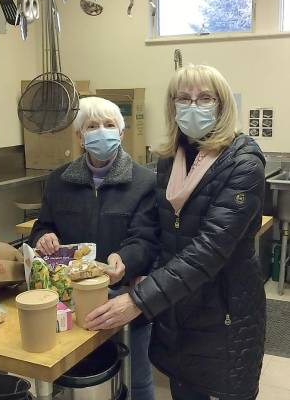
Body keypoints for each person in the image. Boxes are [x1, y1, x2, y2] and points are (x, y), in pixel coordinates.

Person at [86, 65, 266, 400]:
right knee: (183, 388)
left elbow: (209, 250)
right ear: (173, 105)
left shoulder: (243, 162)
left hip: (223, 313)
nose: (193, 105)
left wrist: (139, 300)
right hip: (178, 310)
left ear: (223, 104)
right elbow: (155, 227)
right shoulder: (171, 159)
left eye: (205, 98)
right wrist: (128, 260)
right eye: (184, 98)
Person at [29, 96, 159, 400]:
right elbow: (42, 227)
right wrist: (44, 237)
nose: (101, 131)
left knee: (137, 379)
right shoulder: (58, 181)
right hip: (69, 300)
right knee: (73, 374)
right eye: (92, 126)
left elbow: (147, 240)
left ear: (122, 133)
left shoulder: (145, 182)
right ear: (80, 136)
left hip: (124, 298)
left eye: (109, 125)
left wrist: (124, 259)